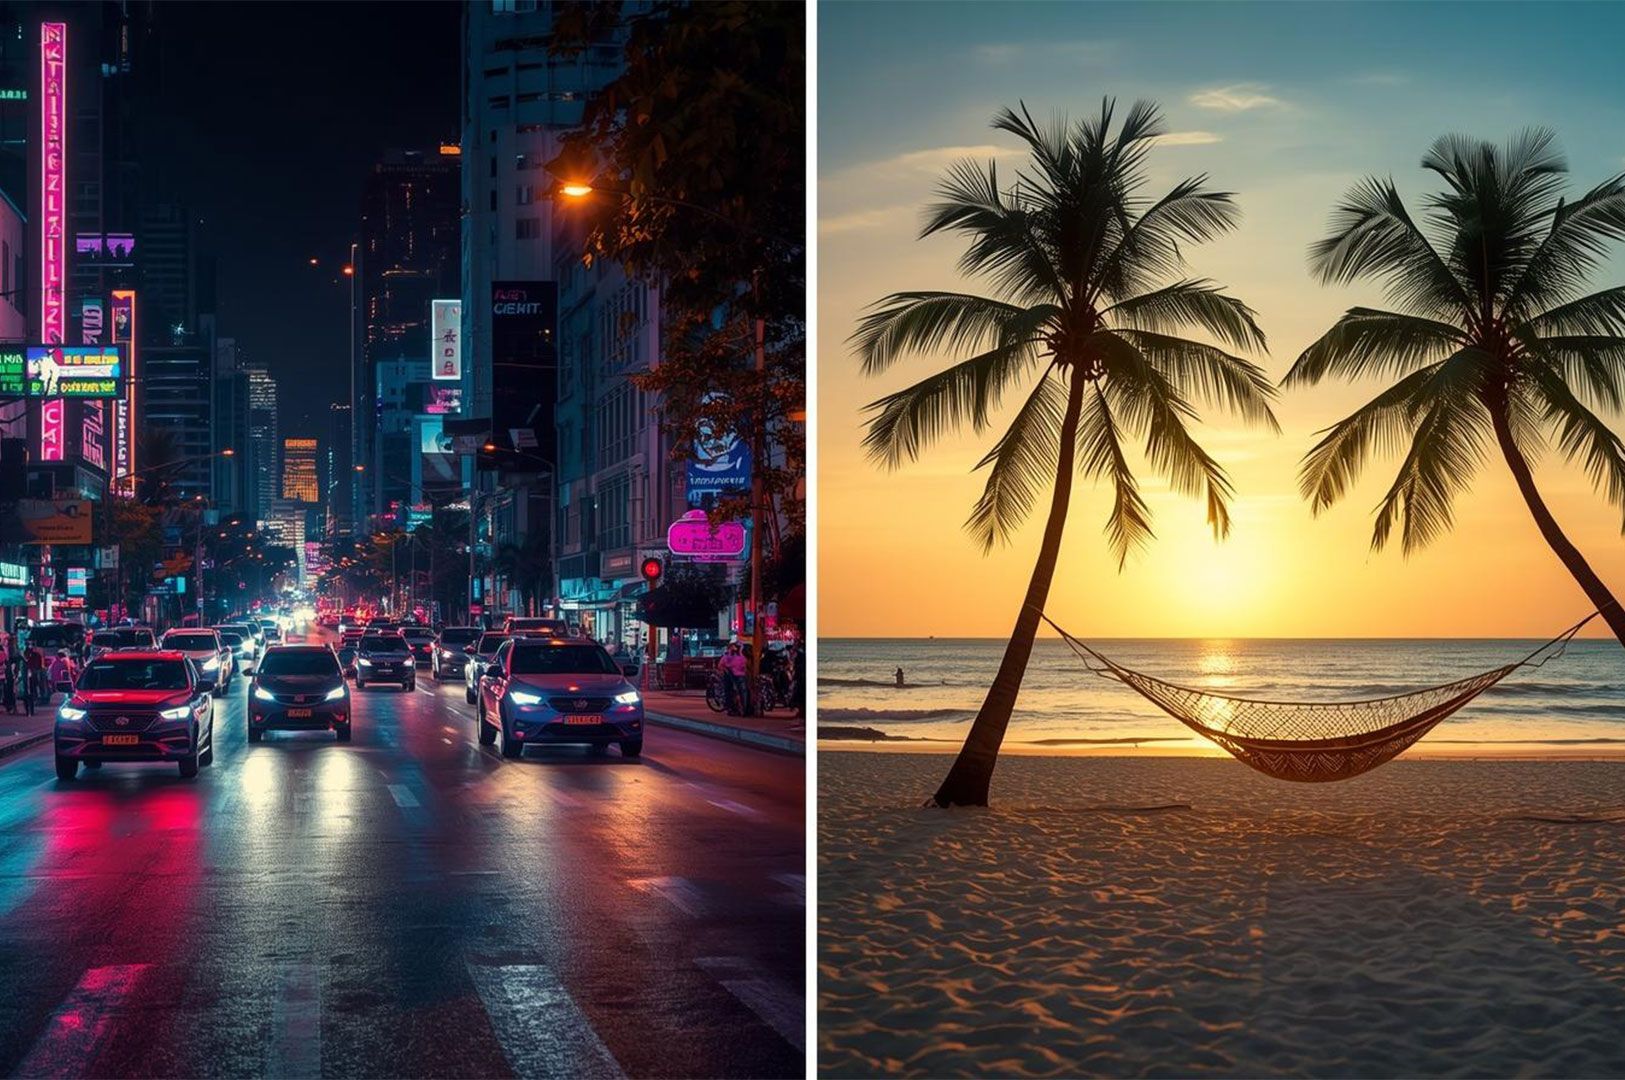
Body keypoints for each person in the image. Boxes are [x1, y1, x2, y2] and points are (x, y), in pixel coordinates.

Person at [720, 642, 748, 717]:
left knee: (731, 691)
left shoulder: (728, 656)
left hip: (735, 675)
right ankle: (736, 708)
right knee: (738, 691)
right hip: (736, 676)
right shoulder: (741, 656)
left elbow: (721, 665)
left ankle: (732, 708)